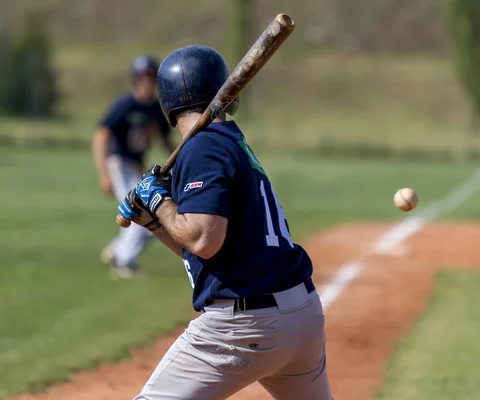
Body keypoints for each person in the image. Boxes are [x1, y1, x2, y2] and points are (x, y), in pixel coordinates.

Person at [117, 45, 333, 399]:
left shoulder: (202, 147)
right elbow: (210, 253)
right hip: (302, 316)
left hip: (244, 327)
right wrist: (155, 221)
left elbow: (204, 240)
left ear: (167, 104)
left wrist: (157, 199)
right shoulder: (230, 142)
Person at [92, 55, 175, 279]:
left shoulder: (157, 110)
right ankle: (122, 262)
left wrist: (183, 161)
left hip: (137, 167)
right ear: (136, 78)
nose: (147, 80)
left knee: (155, 216)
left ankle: (117, 251)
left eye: (150, 76)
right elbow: (101, 136)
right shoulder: (126, 105)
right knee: (141, 211)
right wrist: (104, 174)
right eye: (143, 76)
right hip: (118, 163)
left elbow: (167, 142)